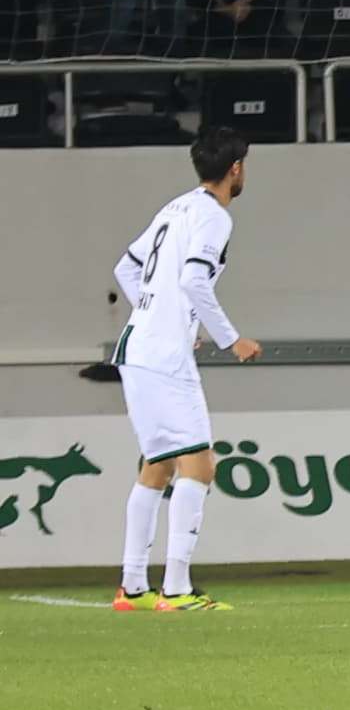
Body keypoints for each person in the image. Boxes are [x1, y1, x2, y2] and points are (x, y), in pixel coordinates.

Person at [107, 131, 262, 611]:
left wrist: (160, 313)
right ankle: (176, 589)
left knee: (157, 463)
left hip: (136, 346)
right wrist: (230, 337)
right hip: (165, 356)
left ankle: (133, 584)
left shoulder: (174, 208)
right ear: (235, 167)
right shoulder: (213, 217)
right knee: (198, 463)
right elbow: (194, 279)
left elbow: (125, 270)